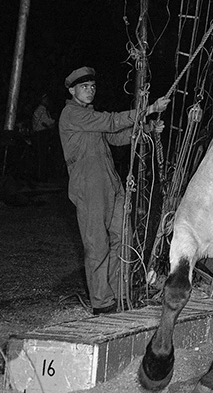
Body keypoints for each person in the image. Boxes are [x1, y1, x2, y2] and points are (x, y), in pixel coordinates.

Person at [58, 67, 170, 315]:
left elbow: (116, 137)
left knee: (123, 237)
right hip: (89, 188)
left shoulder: (90, 116)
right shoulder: (71, 115)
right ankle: (101, 302)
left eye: (92, 87)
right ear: (72, 90)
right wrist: (149, 109)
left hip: (111, 184)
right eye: (84, 87)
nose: (90, 91)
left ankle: (118, 293)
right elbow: (111, 121)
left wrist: (148, 131)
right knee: (97, 245)